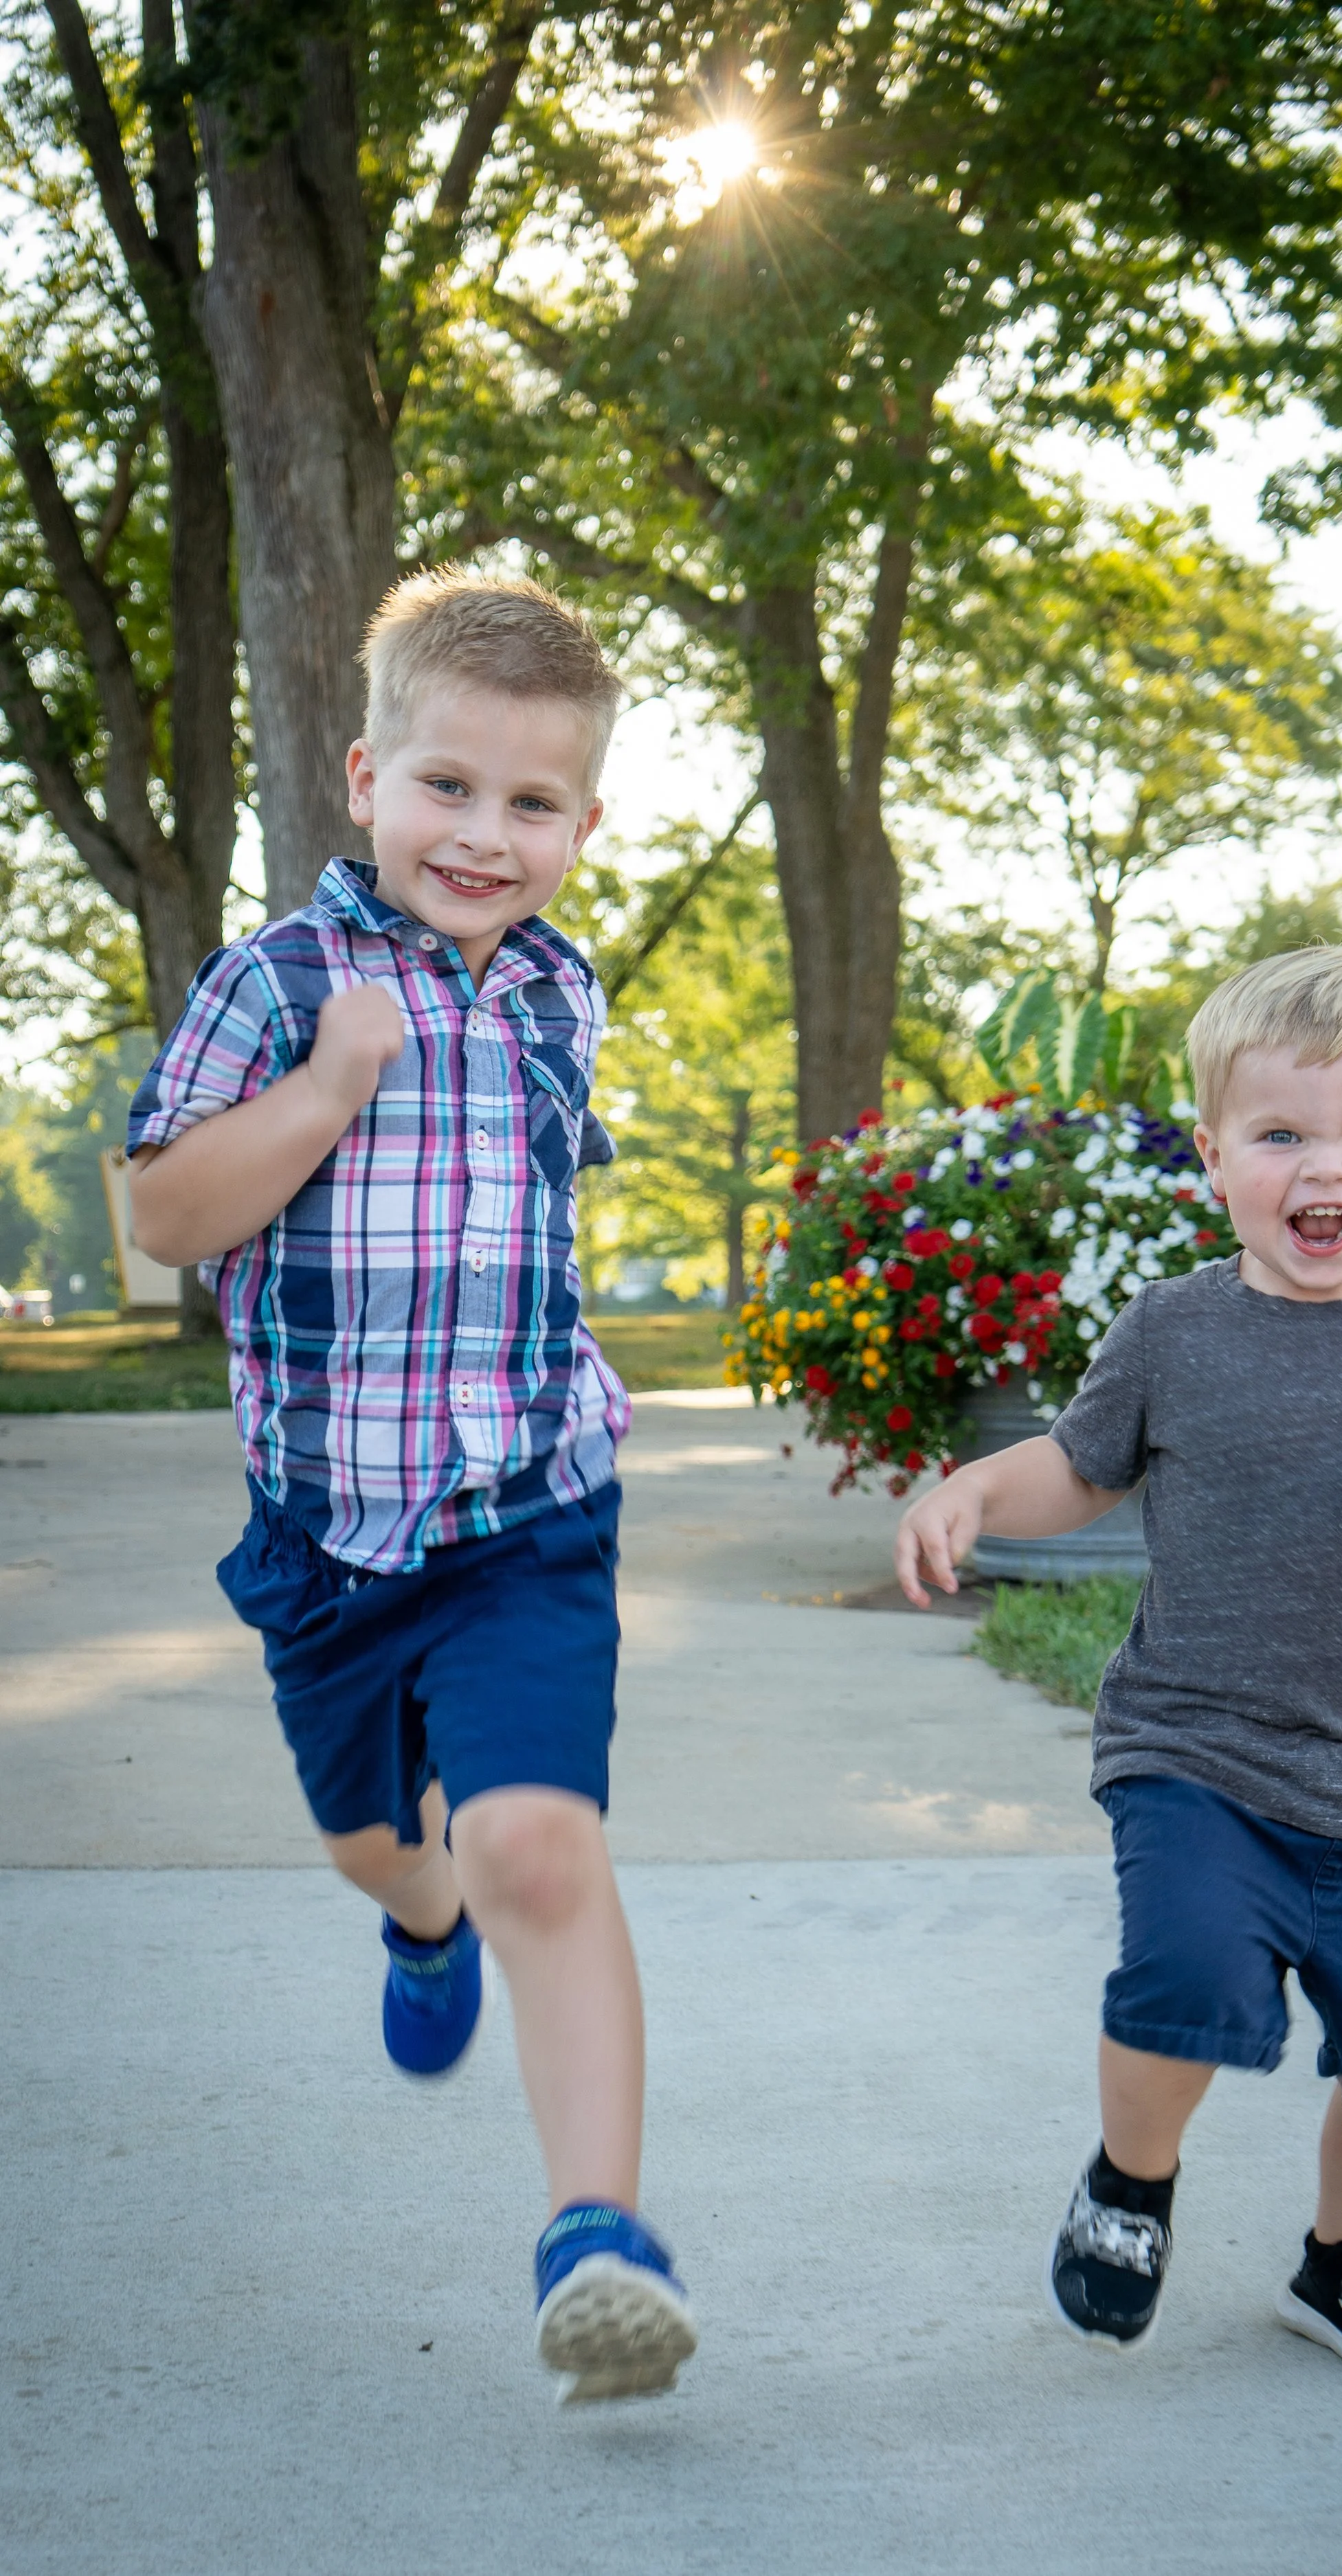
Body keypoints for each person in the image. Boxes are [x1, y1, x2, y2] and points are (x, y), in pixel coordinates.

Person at [895, 944, 1342, 2380]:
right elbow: (1077, 1467)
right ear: (1214, 1154)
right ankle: (1129, 2182)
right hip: (1197, 1758)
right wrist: (980, 1492)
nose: (1328, 1168)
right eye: (1283, 1134)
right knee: (1187, 1980)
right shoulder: (1173, 1330)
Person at [126, 570, 695, 2406]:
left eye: (532, 802)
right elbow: (162, 1222)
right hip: (329, 1533)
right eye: (447, 785)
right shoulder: (274, 982)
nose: (484, 831)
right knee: (389, 1834)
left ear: (583, 828)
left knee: (542, 1838)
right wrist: (325, 1090)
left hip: (531, 1506)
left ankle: (596, 2231)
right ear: (365, 779)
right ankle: (412, 1909)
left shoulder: (560, 990)